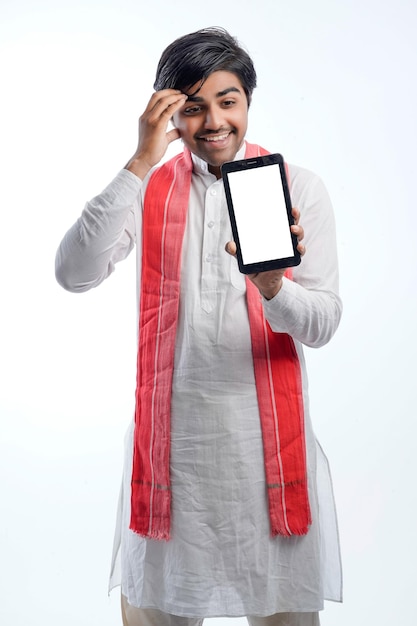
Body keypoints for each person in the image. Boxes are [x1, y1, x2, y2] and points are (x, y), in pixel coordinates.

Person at [55, 26, 342, 626]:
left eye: (227, 101)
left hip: (267, 463)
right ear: (168, 112)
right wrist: (139, 160)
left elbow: (322, 323)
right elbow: (73, 273)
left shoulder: (296, 189)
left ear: (248, 102)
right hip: (172, 462)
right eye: (192, 106)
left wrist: (271, 286)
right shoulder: (148, 187)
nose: (213, 121)